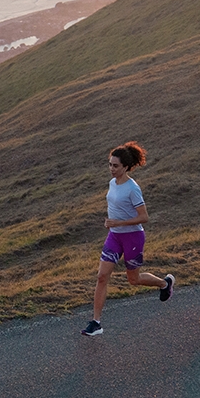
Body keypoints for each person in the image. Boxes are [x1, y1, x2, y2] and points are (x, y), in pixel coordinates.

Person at [82, 141, 174, 336]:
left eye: (115, 166)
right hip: (114, 237)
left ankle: (164, 284)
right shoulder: (112, 183)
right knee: (101, 277)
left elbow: (144, 217)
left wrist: (119, 223)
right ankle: (95, 322)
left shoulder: (133, 188)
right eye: (109, 164)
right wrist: (111, 224)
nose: (111, 169)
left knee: (133, 279)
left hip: (133, 237)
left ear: (125, 167)